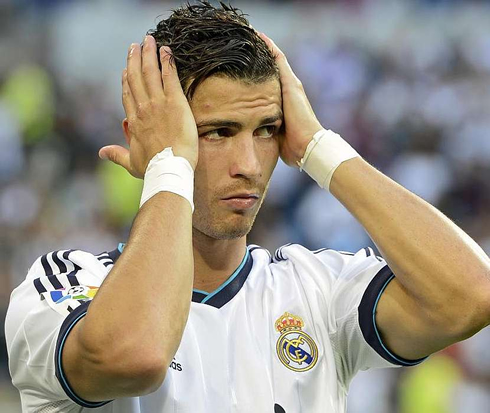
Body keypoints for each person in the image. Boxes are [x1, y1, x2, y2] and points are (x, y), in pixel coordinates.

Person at [5, 2, 490, 412]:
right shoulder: (65, 286)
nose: (249, 165)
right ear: (147, 139)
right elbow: (138, 353)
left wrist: (320, 148)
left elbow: (470, 297)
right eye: (217, 133)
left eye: (266, 131)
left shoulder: (317, 289)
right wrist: (169, 166)